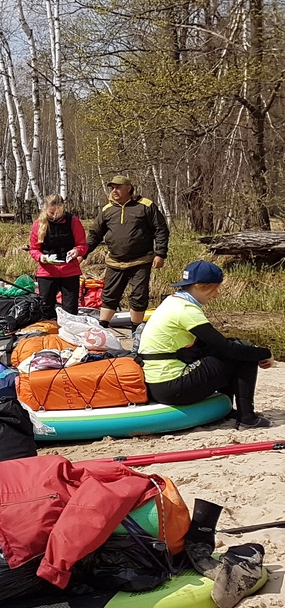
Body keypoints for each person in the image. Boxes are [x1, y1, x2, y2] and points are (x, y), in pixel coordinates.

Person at [137, 260, 273, 429]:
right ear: (200, 286)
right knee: (243, 351)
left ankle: (227, 410)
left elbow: (215, 344)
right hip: (171, 386)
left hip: (157, 384)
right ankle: (248, 418)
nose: (217, 294)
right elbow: (228, 349)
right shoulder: (186, 309)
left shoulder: (172, 301)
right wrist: (265, 353)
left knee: (235, 346)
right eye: (214, 289)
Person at [84, 174, 170, 326]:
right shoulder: (107, 210)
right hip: (114, 261)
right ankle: (102, 328)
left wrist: (160, 254)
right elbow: (95, 234)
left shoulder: (146, 206)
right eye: (112, 188)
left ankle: (136, 330)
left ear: (128, 188)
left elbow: (161, 230)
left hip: (141, 260)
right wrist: (83, 253)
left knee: (138, 296)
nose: (114, 191)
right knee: (109, 295)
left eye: (118, 187)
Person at [27, 194, 87, 318]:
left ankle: (68, 333)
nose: (54, 217)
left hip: (69, 271)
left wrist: (77, 251)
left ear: (63, 208)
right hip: (47, 271)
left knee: (70, 309)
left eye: (57, 213)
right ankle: (48, 332)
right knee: (45, 307)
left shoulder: (73, 221)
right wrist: (42, 257)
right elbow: (34, 249)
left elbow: (82, 245)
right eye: (51, 213)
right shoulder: (38, 224)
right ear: (46, 210)